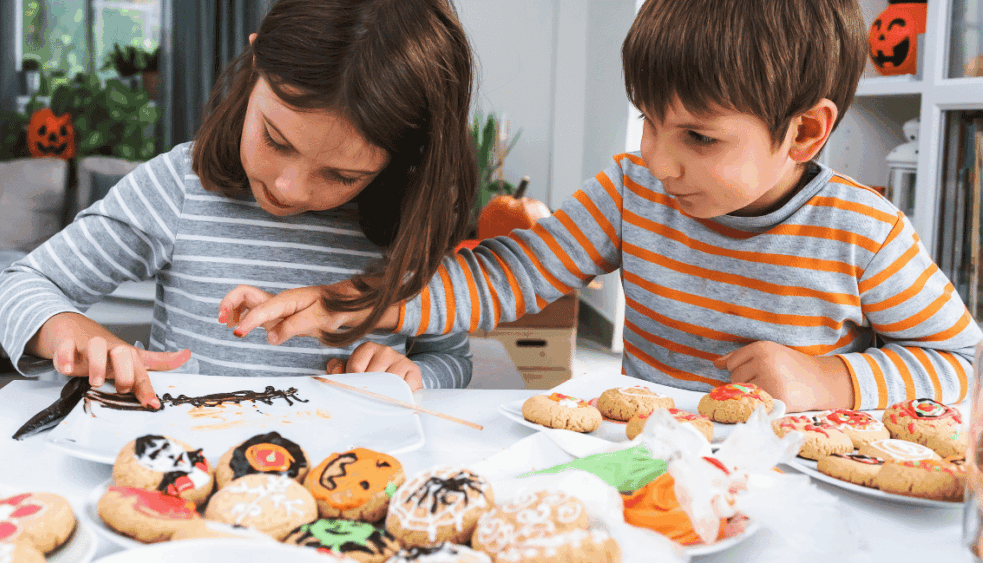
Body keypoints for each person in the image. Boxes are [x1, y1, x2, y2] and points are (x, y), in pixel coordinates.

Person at [222, 0, 982, 412]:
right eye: (647, 119)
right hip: (646, 462)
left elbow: (962, 362)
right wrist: (344, 304)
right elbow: (500, 277)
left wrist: (835, 383)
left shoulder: (864, 233)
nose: (657, 158)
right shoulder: (633, 191)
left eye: (698, 136)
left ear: (806, 131)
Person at [0, 0, 479, 408]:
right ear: (255, 62)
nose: (288, 188)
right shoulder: (179, 186)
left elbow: (450, 357)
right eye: (275, 139)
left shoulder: (409, 222)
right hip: (188, 480)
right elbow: (20, 286)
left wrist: (413, 375)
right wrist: (73, 332)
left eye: (342, 175)